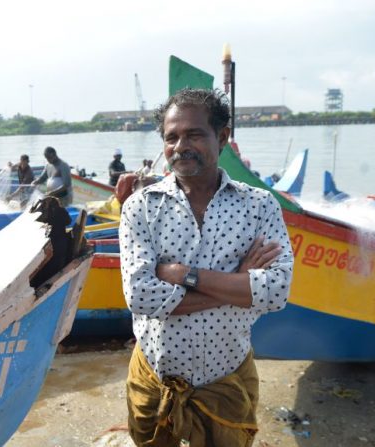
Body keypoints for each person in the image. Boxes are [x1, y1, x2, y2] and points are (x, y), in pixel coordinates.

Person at [119, 88, 294, 446]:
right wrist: (239, 285)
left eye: (194, 134)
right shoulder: (141, 208)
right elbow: (141, 297)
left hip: (226, 377)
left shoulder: (259, 206)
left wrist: (184, 275)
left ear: (223, 137)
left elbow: (276, 291)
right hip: (155, 374)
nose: (180, 146)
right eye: (171, 137)